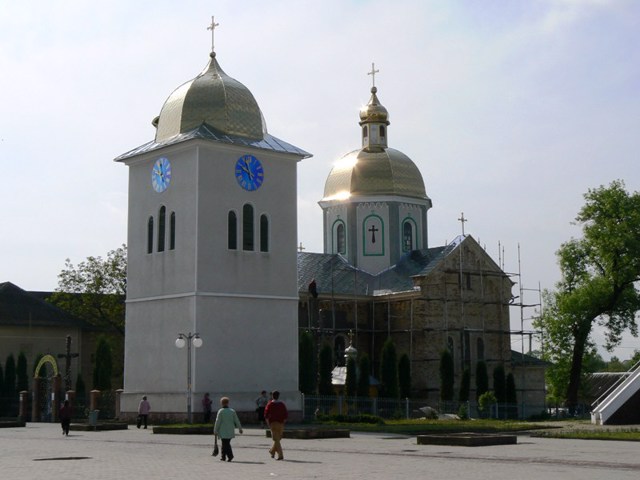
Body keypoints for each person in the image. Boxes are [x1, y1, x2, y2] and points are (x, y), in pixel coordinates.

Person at [213, 396, 243, 462]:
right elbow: (236, 420)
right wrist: (240, 428)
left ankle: (230, 456)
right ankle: (223, 456)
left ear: (221, 403)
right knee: (225, 443)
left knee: (225, 444)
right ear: (228, 403)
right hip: (230, 430)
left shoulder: (221, 411)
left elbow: (218, 421)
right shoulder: (232, 411)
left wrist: (215, 430)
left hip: (223, 431)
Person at [264, 390, 288, 460]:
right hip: (281, 423)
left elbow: (266, 414)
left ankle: (276, 453)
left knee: (276, 439)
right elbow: (286, 414)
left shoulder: (270, 404)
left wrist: (268, 423)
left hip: (273, 423)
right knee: (278, 438)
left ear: (272, 396)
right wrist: (283, 422)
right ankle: (275, 452)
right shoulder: (282, 404)